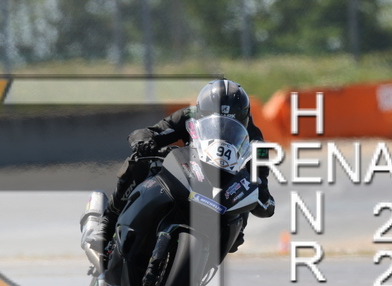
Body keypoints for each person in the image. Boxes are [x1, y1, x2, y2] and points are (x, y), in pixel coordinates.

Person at [88, 79, 275, 253]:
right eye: (214, 120)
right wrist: (143, 141)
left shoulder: (257, 142)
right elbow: (152, 131)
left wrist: (262, 196)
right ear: (200, 112)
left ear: (244, 118)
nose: (221, 128)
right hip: (187, 172)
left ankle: (214, 249)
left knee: (240, 221)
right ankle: (107, 222)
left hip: (222, 191)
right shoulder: (188, 116)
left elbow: (260, 182)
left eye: (230, 122)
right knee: (140, 160)